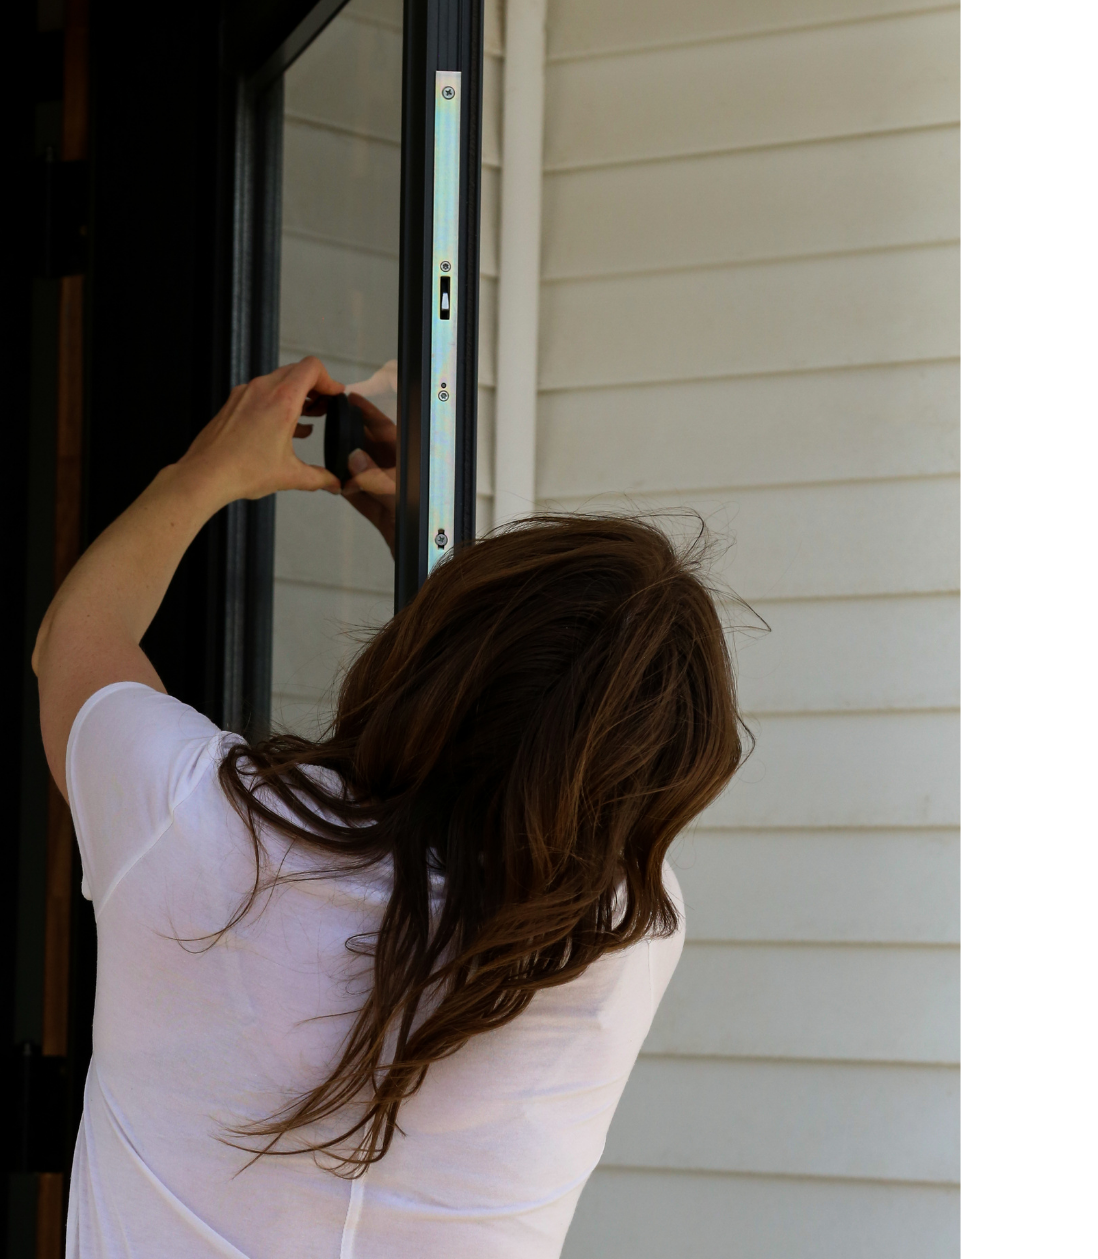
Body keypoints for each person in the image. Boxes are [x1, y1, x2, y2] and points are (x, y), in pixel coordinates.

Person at [32, 357, 744, 1256]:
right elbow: (542, 760)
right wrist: (449, 582)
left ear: (425, 654)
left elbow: (77, 643)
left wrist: (204, 472)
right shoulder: (622, 940)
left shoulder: (194, 825)